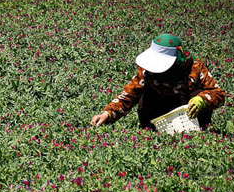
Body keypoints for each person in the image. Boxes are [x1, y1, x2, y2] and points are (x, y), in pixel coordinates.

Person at [90, 34, 225, 130]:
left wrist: (201, 100)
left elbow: (218, 93)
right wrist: (107, 114)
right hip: (155, 118)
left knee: (199, 93)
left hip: (191, 119)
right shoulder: (147, 70)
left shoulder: (194, 68)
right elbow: (129, 95)